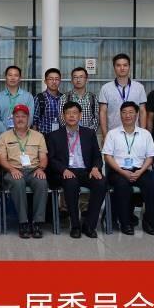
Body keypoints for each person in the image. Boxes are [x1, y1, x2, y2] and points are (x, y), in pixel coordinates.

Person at [47, 101, 105, 239]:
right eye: (68, 113)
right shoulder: (54, 135)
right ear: (63, 116)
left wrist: (96, 168)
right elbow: (51, 159)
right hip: (66, 172)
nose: (71, 116)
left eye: (74, 113)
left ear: (80, 115)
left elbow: (97, 156)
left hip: (86, 171)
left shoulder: (89, 133)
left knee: (101, 182)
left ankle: (89, 225)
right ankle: (75, 225)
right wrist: (63, 170)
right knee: (71, 183)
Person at [102, 102, 154, 235]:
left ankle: (149, 222)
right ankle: (125, 223)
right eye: (124, 112)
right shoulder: (112, 134)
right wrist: (122, 172)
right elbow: (107, 157)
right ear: (120, 115)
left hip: (140, 170)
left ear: (137, 114)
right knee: (122, 185)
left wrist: (140, 171)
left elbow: (150, 157)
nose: (127, 115)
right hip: (118, 171)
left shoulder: (145, 134)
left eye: (131, 112)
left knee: (151, 184)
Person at [0, 104, 49, 239]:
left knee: (42, 182)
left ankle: (37, 223)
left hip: (34, 170)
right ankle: (23, 222)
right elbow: (2, 159)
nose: (20, 119)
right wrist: (12, 169)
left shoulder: (38, 136)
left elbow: (43, 157)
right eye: (17, 116)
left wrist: (41, 169)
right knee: (18, 182)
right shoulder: (4, 137)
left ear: (28, 118)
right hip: (13, 170)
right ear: (12, 118)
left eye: (23, 116)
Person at [98, 54, 147, 138]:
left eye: (125, 65)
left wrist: (143, 134)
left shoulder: (139, 87)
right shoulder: (106, 88)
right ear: (114, 67)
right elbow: (103, 112)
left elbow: (142, 111)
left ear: (129, 67)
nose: (122, 68)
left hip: (135, 134)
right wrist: (105, 135)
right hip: (113, 134)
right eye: (118, 65)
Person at [0, 66, 36, 135]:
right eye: (10, 75)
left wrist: (21, 132)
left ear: (20, 78)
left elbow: (30, 116)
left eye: (16, 75)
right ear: (5, 77)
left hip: (22, 136)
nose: (13, 78)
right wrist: (6, 134)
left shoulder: (28, 96)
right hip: (3, 136)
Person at [66, 67, 101, 133]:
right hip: (69, 135)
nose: (78, 80)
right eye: (75, 77)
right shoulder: (65, 97)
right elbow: (62, 118)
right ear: (71, 80)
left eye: (81, 77)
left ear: (87, 80)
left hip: (89, 135)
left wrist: (88, 133)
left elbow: (96, 119)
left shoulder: (93, 97)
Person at [32, 68, 65, 135]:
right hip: (44, 136)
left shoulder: (64, 98)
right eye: (50, 79)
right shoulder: (39, 98)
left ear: (60, 81)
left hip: (61, 136)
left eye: (57, 79)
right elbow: (34, 121)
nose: (54, 82)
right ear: (45, 81)